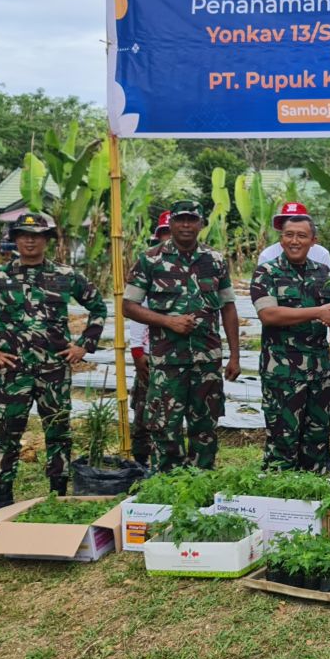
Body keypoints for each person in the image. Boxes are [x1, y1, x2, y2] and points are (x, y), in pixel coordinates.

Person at [0, 213, 106, 509]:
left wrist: (84, 346)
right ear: (15, 239)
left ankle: (58, 495)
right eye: (23, 234)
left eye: (37, 235)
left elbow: (98, 307)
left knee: (59, 432)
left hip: (54, 371)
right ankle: (3, 499)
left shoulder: (66, 275)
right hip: (14, 371)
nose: (30, 240)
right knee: (6, 434)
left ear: (47, 240)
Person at [122, 200, 241, 473]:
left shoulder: (215, 260)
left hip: (207, 359)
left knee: (205, 427)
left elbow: (228, 307)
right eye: (180, 220)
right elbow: (128, 306)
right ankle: (166, 483)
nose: (186, 225)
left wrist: (234, 356)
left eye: (192, 220)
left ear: (200, 224)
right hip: (167, 361)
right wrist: (168, 322)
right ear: (171, 223)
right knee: (165, 426)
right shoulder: (150, 260)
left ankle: (201, 483)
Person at [251, 215, 330, 472]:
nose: (294, 241)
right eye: (289, 235)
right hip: (282, 370)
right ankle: (279, 496)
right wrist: (317, 312)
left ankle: (312, 492)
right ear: (281, 239)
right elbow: (269, 315)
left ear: (313, 241)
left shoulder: (323, 272)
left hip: (318, 369)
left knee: (317, 434)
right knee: (283, 435)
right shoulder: (266, 272)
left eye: (301, 236)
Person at [125, 210, 171, 468]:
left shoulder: (199, 264)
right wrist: (137, 350)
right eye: (164, 233)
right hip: (150, 350)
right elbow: (134, 309)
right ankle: (141, 461)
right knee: (144, 407)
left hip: (178, 352)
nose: (168, 238)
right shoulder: (147, 264)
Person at [257, 202, 330, 268]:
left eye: (301, 235)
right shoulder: (267, 255)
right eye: (288, 221)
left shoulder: (322, 254)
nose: (293, 224)